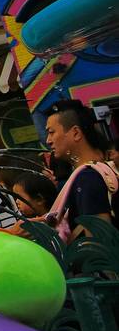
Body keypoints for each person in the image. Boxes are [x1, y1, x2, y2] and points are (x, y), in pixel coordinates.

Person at [44, 101, 118, 241]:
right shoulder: (107, 167)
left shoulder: (87, 178)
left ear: (76, 133)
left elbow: (99, 246)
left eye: (51, 132)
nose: (48, 140)